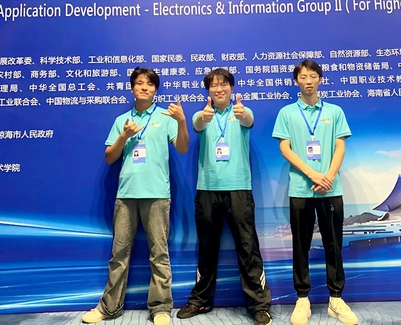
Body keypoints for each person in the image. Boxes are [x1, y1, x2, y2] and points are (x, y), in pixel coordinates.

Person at [82, 67, 189, 325]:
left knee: (159, 254)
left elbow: (183, 148)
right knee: (118, 254)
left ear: (155, 89)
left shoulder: (166, 117)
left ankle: (161, 308)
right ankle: (109, 308)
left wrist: (181, 122)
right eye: (139, 83)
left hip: (157, 194)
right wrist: (124, 136)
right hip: (127, 195)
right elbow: (109, 157)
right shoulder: (122, 120)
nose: (144, 87)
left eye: (150, 84)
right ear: (132, 88)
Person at [177, 68, 272, 325]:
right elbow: (197, 124)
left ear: (231, 87)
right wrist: (203, 118)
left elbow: (249, 120)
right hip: (207, 190)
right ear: (208, 90)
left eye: (223, 84)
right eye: (214, 85)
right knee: (207, 248)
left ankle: (259, 305)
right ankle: (201, 300)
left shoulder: (241, 112)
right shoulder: (202, 115)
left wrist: (243, 114)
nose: (219, 89)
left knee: (248, 248)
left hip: (239, 189)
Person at [272, 60, 357, 325]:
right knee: (301, 245)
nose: (308, 81)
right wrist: (313, 175)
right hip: (301, 189)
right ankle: (302, 299)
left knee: (334, 244)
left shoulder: (334, 111)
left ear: (320, 79)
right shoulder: (287, 113)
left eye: (313, 76)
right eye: (303, 77)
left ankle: (336, 299)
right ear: (296, 81)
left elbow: (340, 147)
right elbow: (285, 149)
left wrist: (327, 177)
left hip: (330, 189)